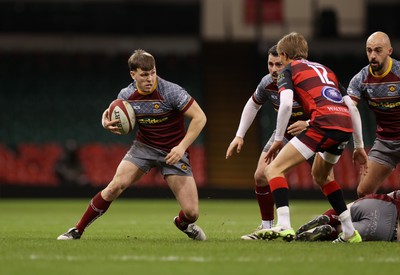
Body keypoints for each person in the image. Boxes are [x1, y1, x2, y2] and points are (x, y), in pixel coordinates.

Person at [57, 49, 207, 241]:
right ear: (133, 74)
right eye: (144, 75)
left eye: (153, 72)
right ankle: (77, 230)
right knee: (115, 186)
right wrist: (105, 121)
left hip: (173, 151)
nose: (150, 78)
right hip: (144, 148)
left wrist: (181, 146)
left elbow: (200, 117)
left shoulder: (171, 91)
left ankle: (182, 223)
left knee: (192, 212)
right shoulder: (126, 94)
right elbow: (115, 112)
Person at [256, 32, 368, 243]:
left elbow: (287, 104)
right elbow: (352, 108)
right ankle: (350, 232)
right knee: (321, 176)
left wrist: (279, 138)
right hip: (343, 126)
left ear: (283, 54)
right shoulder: (327, 70)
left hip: (322, 124)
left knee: (273, 169)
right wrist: (359, 145)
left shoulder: (287, 70)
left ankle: (284, 225)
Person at [225, 45, 309, 240]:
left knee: (323, 177)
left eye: (278, 64)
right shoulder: (267, 83)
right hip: (285, 132)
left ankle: (345, 224)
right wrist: (239, 135)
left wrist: (307, 123)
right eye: (270, 64)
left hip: (315, 130)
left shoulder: (303, 82)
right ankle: (267, 225)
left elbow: (327, 107)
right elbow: (252, 105)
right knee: (261, 175)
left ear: (288, 62)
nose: (273, 69)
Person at [347, 31, 400, 198]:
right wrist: (309, 122)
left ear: (389, 51)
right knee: (363, 192)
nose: (372, 56)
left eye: (378, 50)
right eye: (369, 50)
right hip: (385, 143)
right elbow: (346, 109)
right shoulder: (361, 79)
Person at [295, 190, 400, 242]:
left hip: (378, 203)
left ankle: (329, 217)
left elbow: (394, 195)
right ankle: (331, 232)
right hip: (387, 228)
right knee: (345, 231)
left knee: (343, 212)